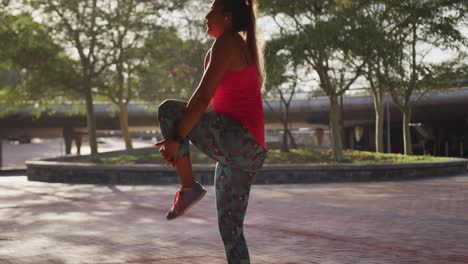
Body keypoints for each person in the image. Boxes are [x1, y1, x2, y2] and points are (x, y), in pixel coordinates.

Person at [155, 0, 267, 262]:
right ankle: (188, 186)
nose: (206, 16)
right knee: (231, 231)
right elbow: (206, 108)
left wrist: (176, 138)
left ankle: (188, 187)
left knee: (168, 111)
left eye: (212, 11)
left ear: (227, 17)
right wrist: (176, 140)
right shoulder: (233, 46)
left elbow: (202, 99)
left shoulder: (227, 42)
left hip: (240, 140)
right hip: (248, 151)